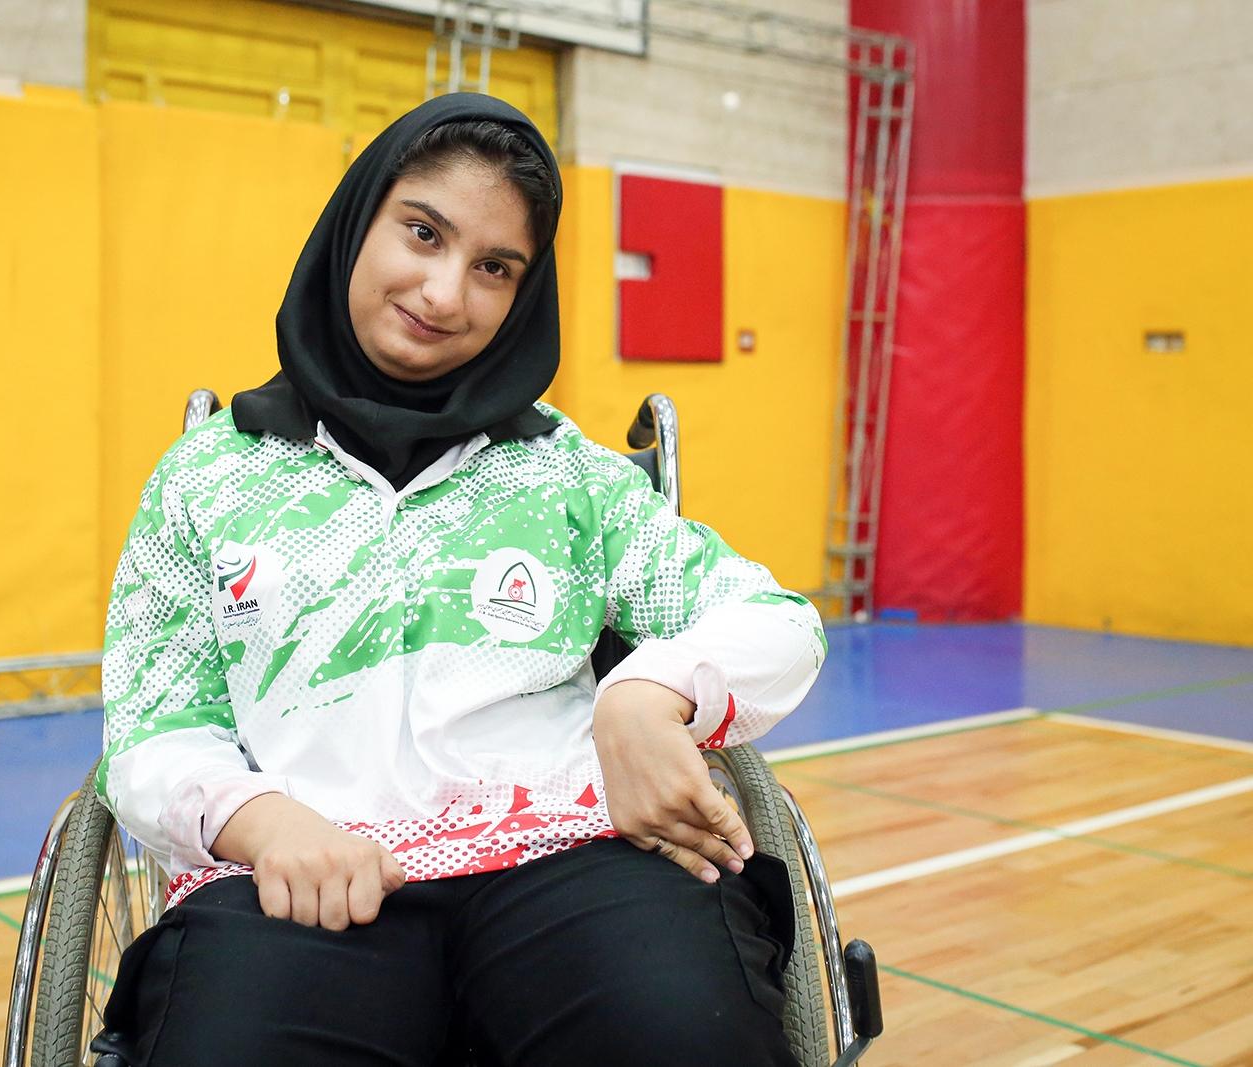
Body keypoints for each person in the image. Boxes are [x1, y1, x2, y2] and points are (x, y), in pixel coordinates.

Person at [97, 93, 825, 1066]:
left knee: (684, 1037)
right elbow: (150, 729)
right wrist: (260, 823)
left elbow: (775, 619)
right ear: (356, 224)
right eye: (423, 233)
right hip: (304, 878)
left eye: (494, 267)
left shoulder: (565, 475)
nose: (444, 294)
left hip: (572, 863)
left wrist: (649, 691)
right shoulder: (210, 476)